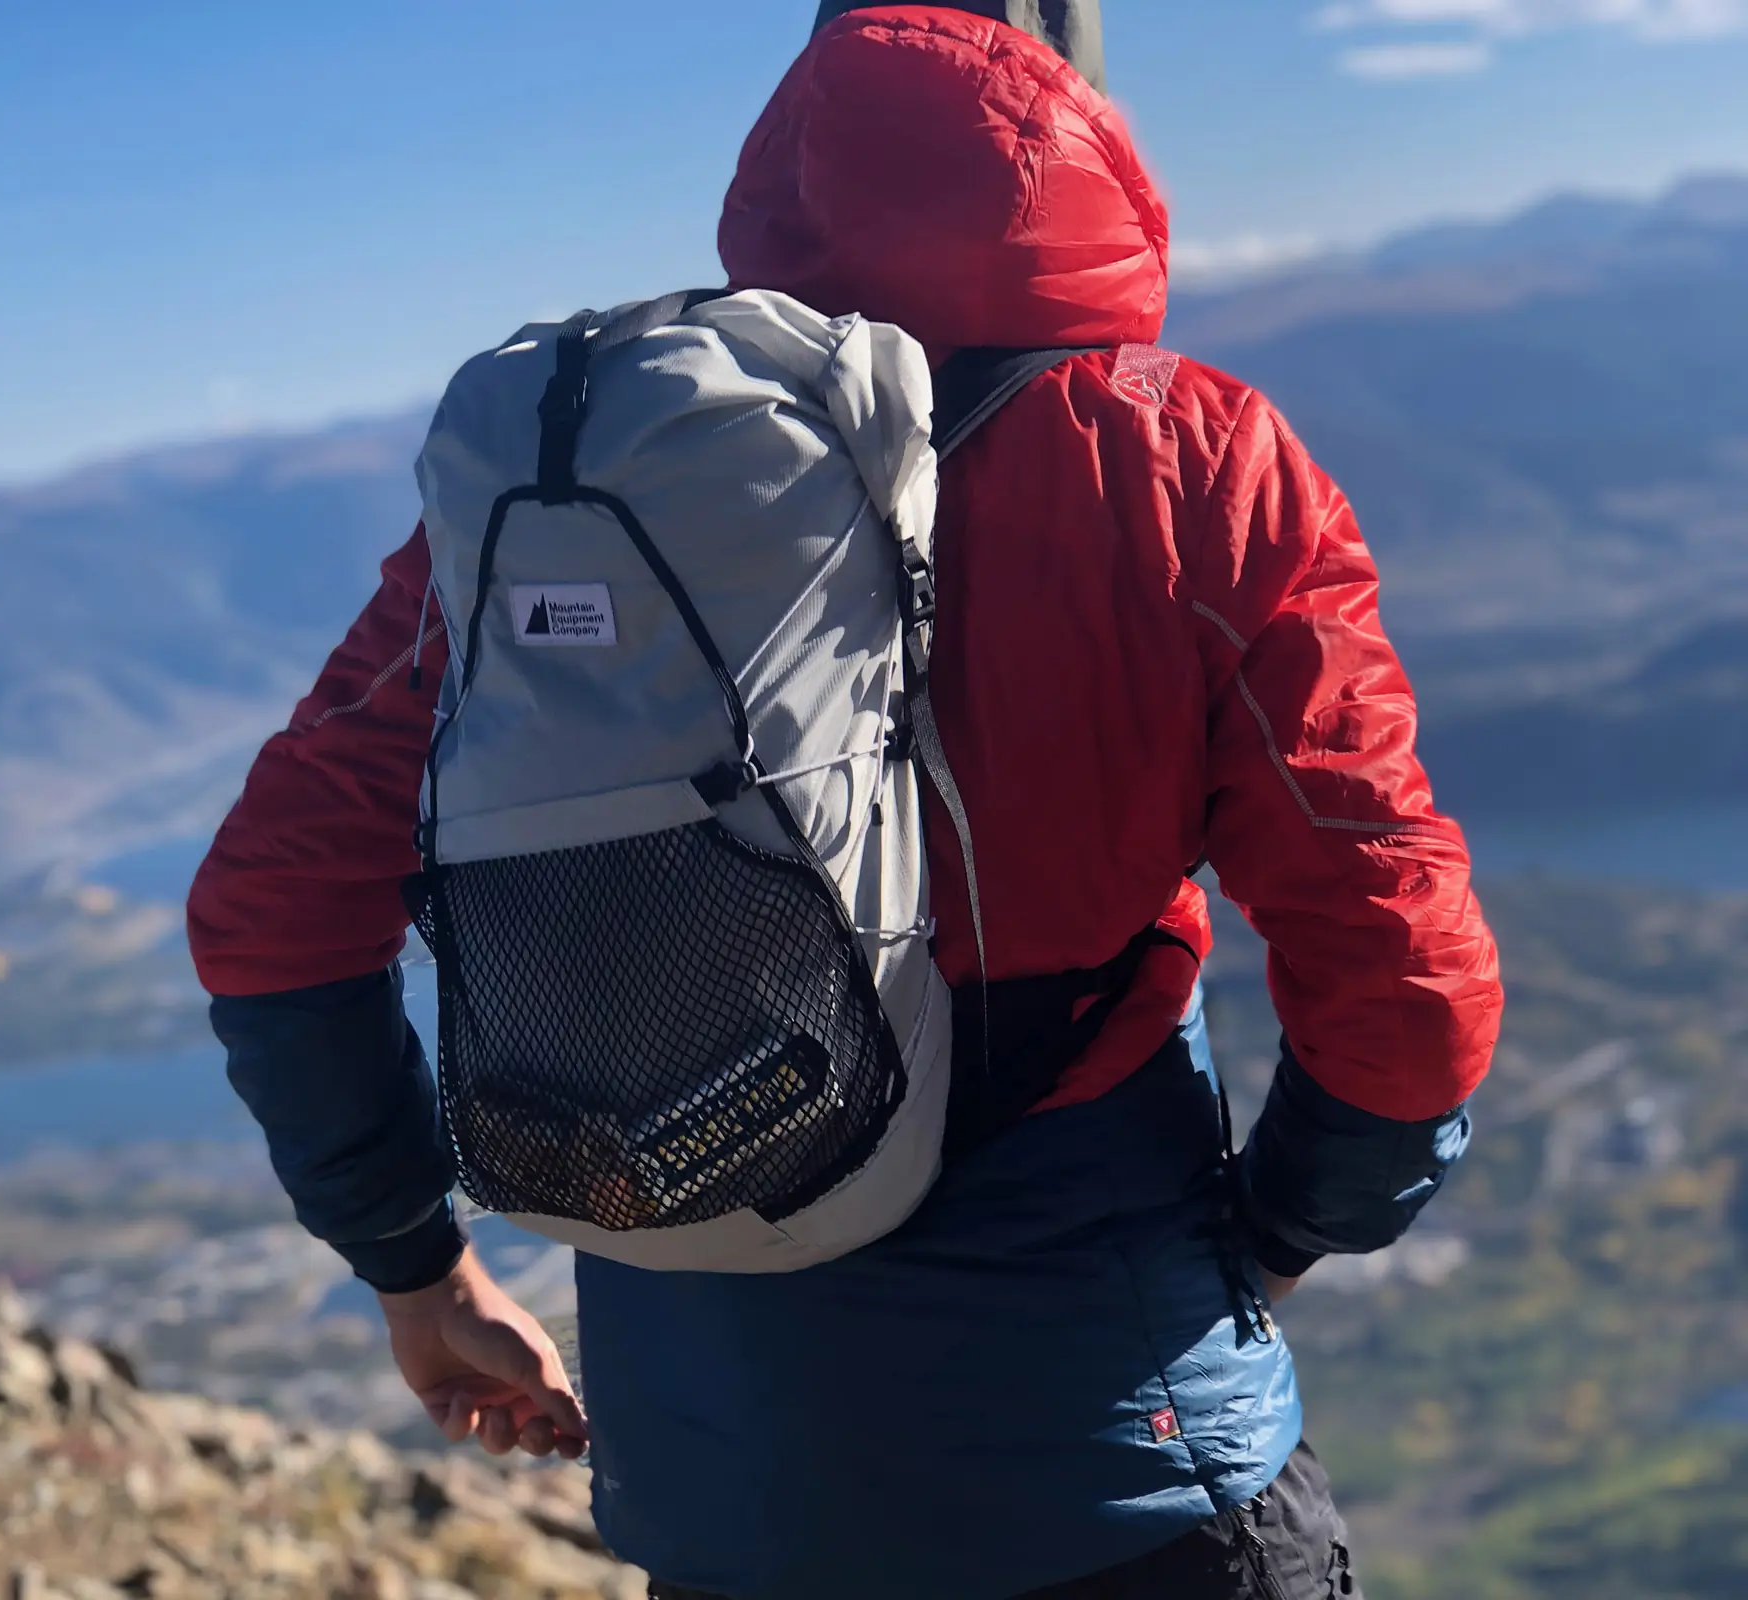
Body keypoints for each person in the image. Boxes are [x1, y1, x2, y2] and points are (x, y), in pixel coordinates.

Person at [187, 5, 1503, 1596]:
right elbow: (1403, 965)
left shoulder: (571, 494)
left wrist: (416, 1269)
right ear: (1076, 113)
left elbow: (271, 909)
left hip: (727, 1505)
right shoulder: (1180, 458)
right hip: (1118, 1468)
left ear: (782, 147)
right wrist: (1288, 1232)